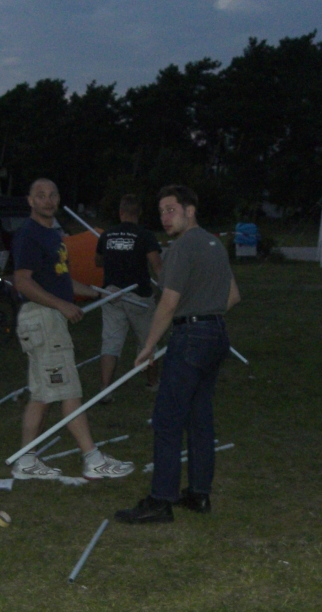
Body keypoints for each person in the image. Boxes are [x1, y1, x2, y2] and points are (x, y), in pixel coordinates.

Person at [115, 185, 240, 524]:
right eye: (161, 212)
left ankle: (161, 501)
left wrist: (149, 346)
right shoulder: (214, 244)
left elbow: (168, 304)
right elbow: (233, 295)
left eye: (171, 210)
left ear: (190, 210)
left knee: (167, 420)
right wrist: (206, 312)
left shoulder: (182, 247)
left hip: (192, 337)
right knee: (199, 417)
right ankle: (199, 494)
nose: (165, 218)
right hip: (216, 335)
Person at [10, 178, 135, 481]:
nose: (47, 200)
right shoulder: (29, 234)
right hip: (43, 319)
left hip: (47, 318)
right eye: (40, 195)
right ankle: (92, 459)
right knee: (69, 390)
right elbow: (22, 281)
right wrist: (62, 306)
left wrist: (98, 292)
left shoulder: (53, 235)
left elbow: (61, 282)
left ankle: (25, 461)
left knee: (42, 394)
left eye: (52, 195)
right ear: (30, 201)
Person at [95, 194, 163, 400]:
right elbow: (157, 265)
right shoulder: (145, 235)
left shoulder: (107, 235)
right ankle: (152, 383)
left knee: (111, 342)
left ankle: (105, 390)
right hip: (139, 296)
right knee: (148, 341)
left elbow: (98, 261)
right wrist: (167, 288)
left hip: (111, 294)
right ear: (139, 213)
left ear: (121, 212)